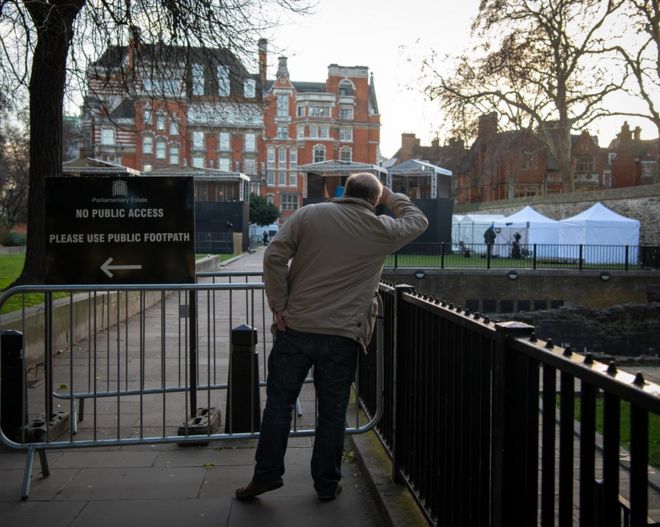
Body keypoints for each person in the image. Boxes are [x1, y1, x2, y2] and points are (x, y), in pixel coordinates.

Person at [235, 172, 428, 501]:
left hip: (294, 328)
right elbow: (418, 219)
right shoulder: (381, 229)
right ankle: (326, 484)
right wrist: (392, 197)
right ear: (374, 200)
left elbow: (275, 256)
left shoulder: (310, 213)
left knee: (278, 406)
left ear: (341, 191)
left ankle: (266, 475)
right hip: (342, 334)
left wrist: (279, 306)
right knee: (333, 411)